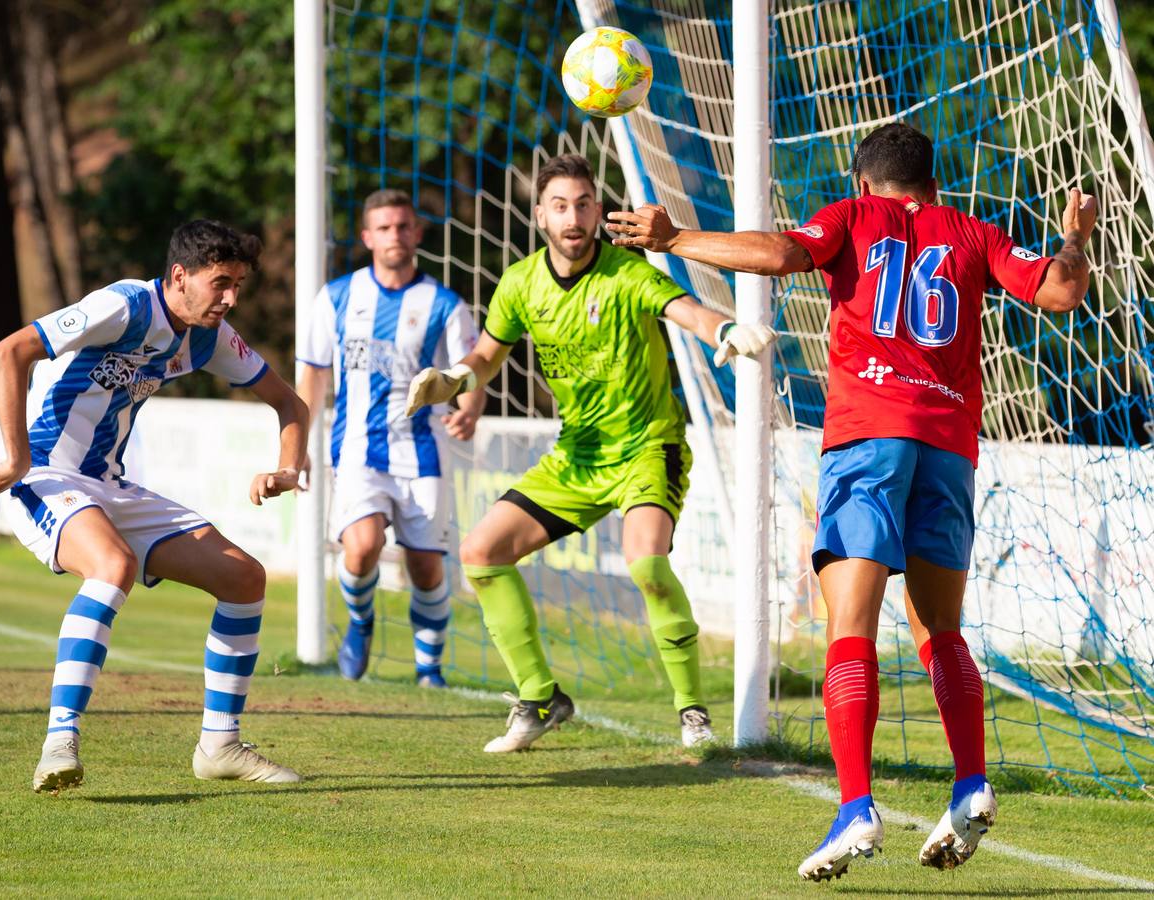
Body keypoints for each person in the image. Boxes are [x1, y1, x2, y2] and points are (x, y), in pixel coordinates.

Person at [606, 123, 1095, 880]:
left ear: (865, 183)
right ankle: (970, 781)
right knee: (941, 628)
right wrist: (1073, 237)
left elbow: (777, 255)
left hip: (869, 437)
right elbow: (1060, 290)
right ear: (931, 185)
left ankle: (856, 807)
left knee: (851, 624)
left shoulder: (850, 216)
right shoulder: (972, 231)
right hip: (949, 446)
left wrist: (674, 240)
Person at [405, 154, 775, 752]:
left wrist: (725, 332)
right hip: (575, 458)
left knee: (647, 564)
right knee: (480, 552)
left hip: (647, 449)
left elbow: (689, 312)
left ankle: (693, 715)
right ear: (540, 216)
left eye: (583, 204)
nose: (573, 216)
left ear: (599, 212)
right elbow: (485, 358)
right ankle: (540, 698)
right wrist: (451, 381)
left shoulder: (628, 276)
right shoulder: (521, 282)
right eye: (560, 205)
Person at [0, 220, 310, 793]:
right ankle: (60, 743)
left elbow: (289, 402)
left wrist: (287, 469)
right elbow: (9, 351)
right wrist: (15, 460)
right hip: (47, 475)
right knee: (113, 566)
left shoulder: (207, 336)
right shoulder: (124, 306)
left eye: (239, 286)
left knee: (245, 578)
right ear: (180, 276)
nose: (230, 298)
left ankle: (220, 746)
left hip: (109, 483)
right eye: (220, 283)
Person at [297, 189, 485, 686]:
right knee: (361, 547)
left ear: (417, 233)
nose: (394, 236)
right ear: (367, 237)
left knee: (425, 567)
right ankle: (360, 624)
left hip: (423, 453)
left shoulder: (444, 304)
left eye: (403, 226)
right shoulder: (337, 297)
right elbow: (313, 374)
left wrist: (469, 411)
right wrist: (297, 445)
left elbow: (471, 372)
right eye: (384, 228)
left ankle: (430, 671)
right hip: (358, 449)